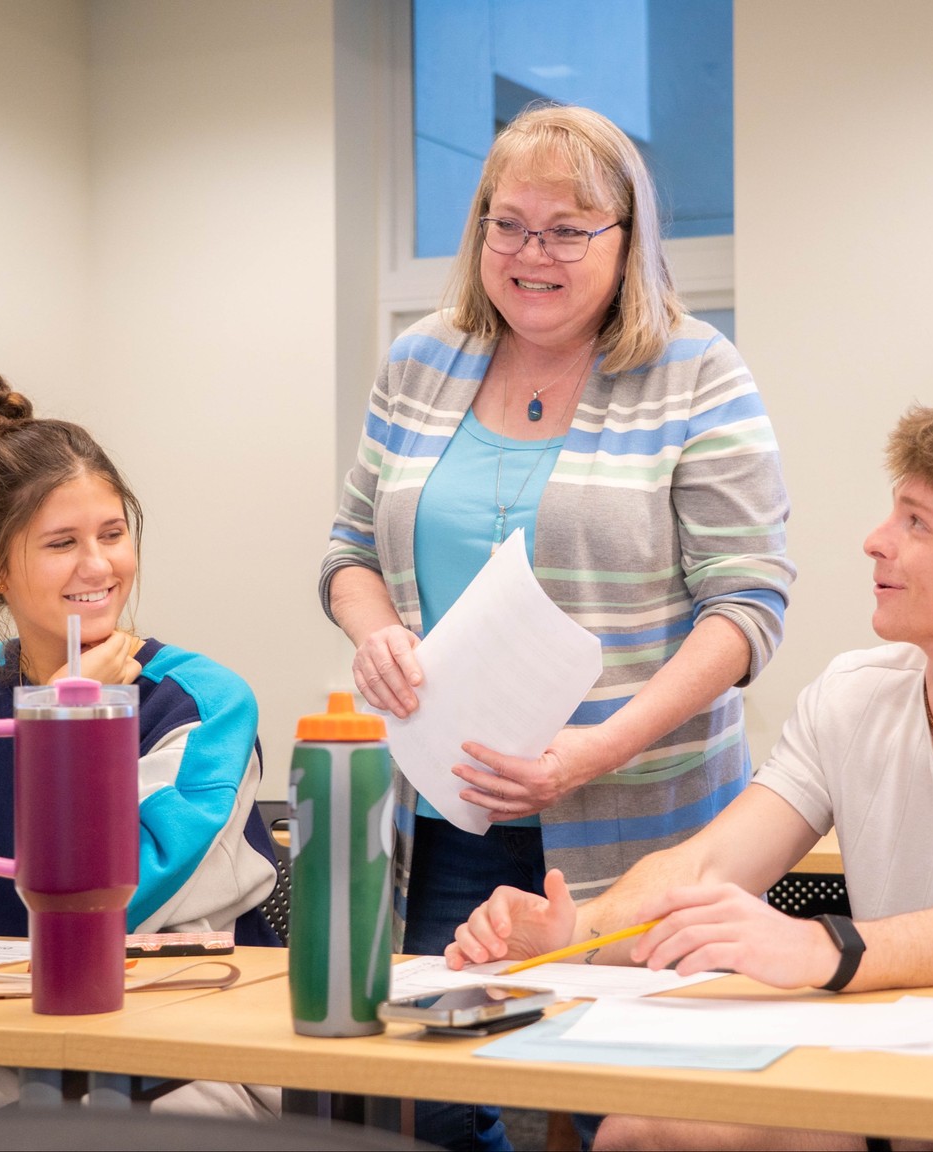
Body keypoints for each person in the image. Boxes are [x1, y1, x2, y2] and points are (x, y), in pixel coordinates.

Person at [447, 407, 933, 1152]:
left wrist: (823, 950)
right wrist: (571, 934)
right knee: (637, 1133)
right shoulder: (853, 694)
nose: (877, 541)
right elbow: (706, 864)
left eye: (917, 523)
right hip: (879, 1071)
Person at [320, 101, 792, 1150]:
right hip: (447, 817)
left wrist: (599, 747)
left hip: (645, 820)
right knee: (437, 1098)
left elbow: (748, 606)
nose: (533, 253)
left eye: (569, 230)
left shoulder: (695, 370)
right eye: (508, 223)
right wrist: (376, 632)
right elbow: (350, 553)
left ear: (626, 244)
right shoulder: (420, 364)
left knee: (624, 1102)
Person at [0, 370, 280, 1114]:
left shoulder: (204, 702)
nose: (99, 567)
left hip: (182, 1048)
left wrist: (79, 714)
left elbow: (109, 902)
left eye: (112, 535)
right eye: (61, 543)